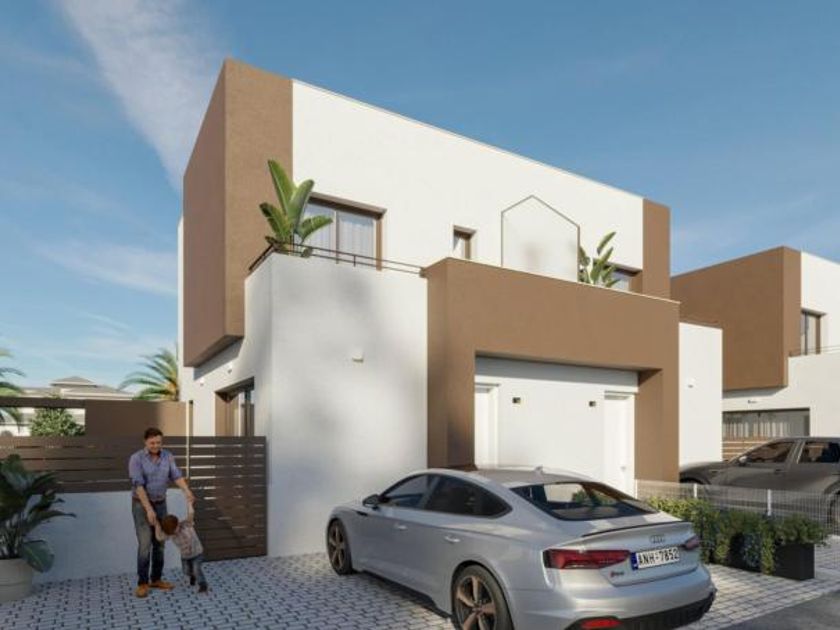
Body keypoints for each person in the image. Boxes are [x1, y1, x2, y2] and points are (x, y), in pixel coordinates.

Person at [128, 427, 195, 598]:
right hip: (141, 505)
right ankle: (143, 583)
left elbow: (176, 475)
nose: (156, 446)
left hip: (161, 503)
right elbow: (138, 486)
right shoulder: (136, 459)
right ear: (145, 441)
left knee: (160, 543)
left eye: (158, 442)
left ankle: (156, 579)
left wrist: (186, 491)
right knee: (145, 544)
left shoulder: (167, 456)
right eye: (152, 443)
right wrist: (149, 509)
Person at [155, 503, 208, 593]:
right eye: (172, 531)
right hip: (185, 557)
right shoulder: (171, 534)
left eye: (175, 528)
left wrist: (189, 503)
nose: (175, 532)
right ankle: (193, 576)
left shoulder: (186, 524)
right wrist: (157, 525)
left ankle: (203, 584)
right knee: (186, 571)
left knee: (196, 569)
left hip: (197, 553)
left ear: (177, 523)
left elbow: (191, 514)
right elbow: (159, 537)